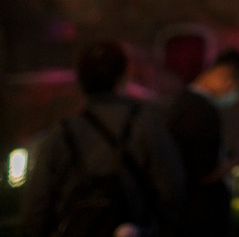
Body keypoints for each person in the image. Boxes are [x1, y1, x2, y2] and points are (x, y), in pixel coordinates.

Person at [22, 40, 184, 237]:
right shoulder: (147, 125)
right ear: (122, 77)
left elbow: (37, 205)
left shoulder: (62, 134)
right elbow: (172, 190)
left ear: (81, 81)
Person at [167, 48, 239, 237]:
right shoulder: (201, 111)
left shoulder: (184, 104)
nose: (234, 92)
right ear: (226, 76)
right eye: (237, 86)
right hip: (202, 216)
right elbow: (203, 172)